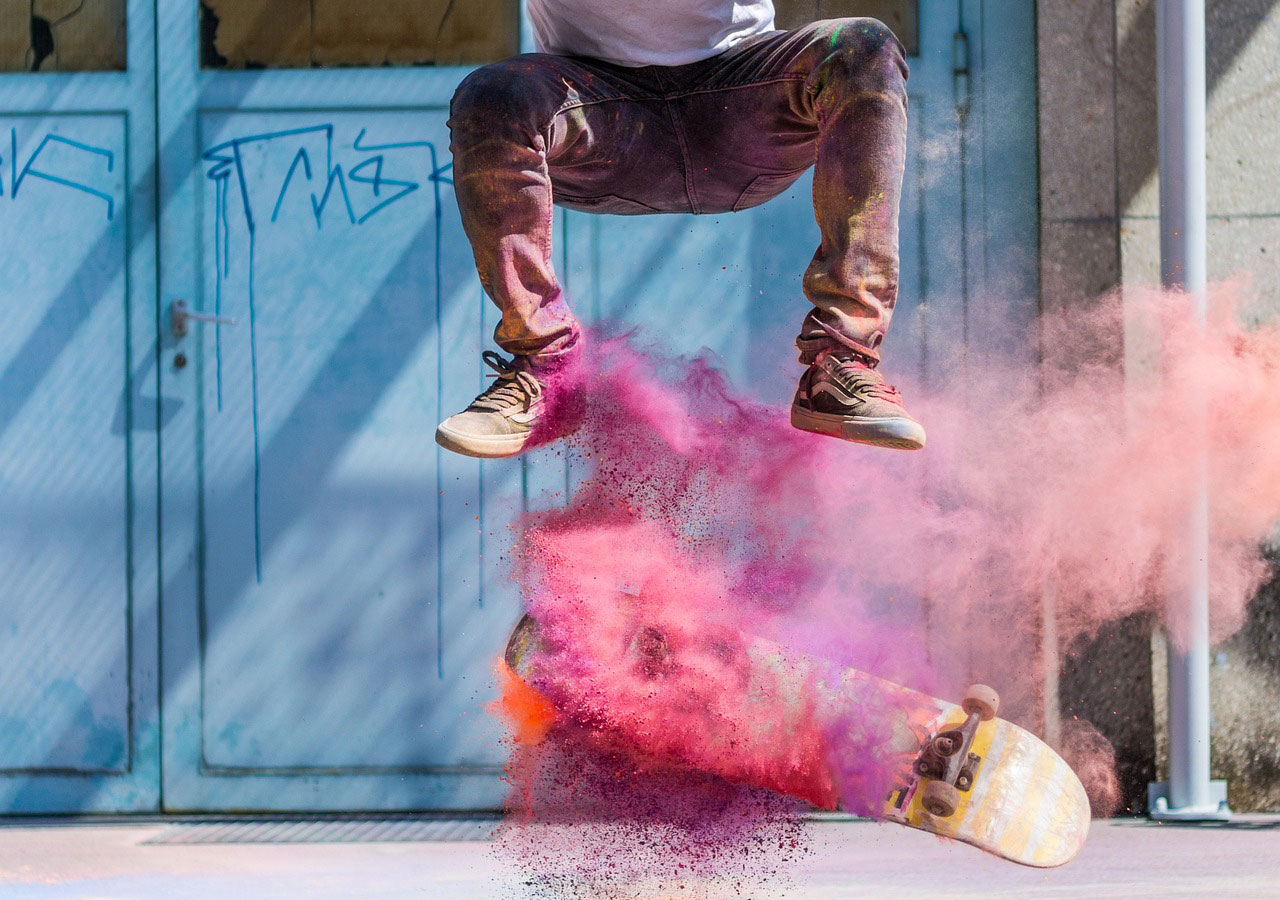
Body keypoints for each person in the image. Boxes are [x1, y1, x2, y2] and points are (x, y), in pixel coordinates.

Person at [435, 0, 925, 458]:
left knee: (863, 48)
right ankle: (548, 369)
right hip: (603, 118)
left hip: (739, 101)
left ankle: (839, 364)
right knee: (495, 95)